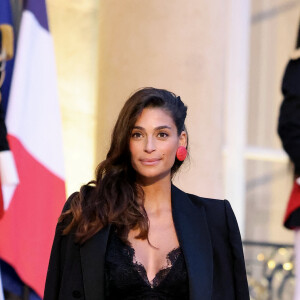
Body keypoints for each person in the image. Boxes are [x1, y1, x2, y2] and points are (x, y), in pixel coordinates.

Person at [43, 87, 249, 300]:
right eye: (137, 134)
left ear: (181, 140)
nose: (149, 146)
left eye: (162, 134)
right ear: (126, 141)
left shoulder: (216, 219)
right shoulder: (87, 211)